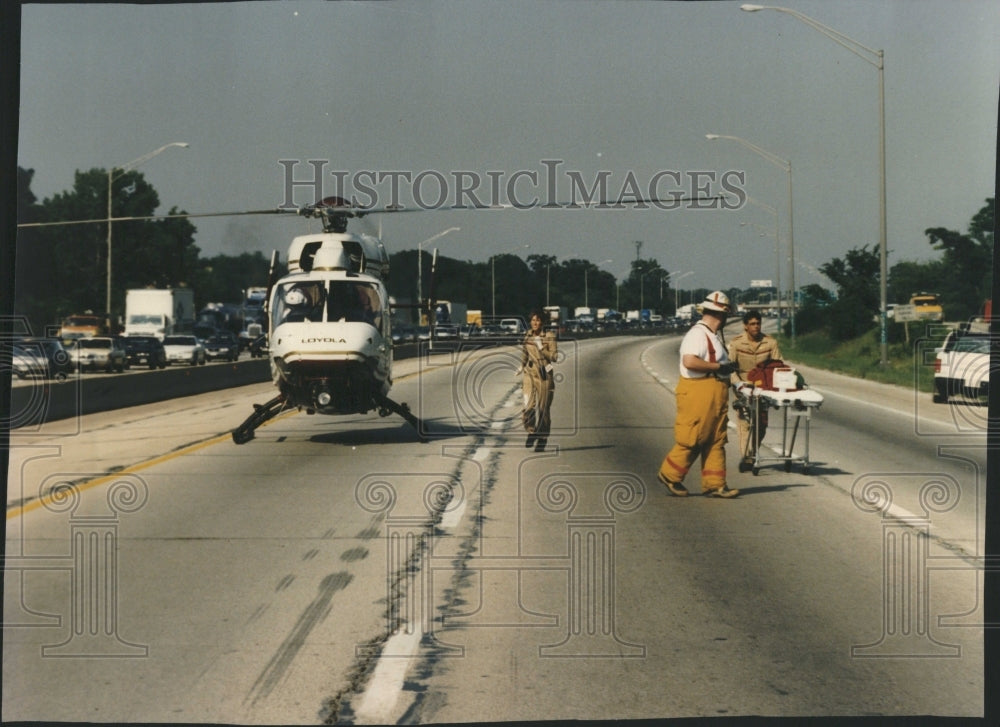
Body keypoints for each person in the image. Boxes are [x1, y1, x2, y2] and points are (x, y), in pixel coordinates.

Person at [657, 290, 739, 498]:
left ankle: (715, 484)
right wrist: (717, 367)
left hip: (714, 391)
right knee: (694, 437)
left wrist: (725, 368)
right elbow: (689, 361)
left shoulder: (710, 335)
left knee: (716, 438)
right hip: (698, 390)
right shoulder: (697, 335)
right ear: (720, 314)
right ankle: (670, 475)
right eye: (725, 315)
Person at [728, 308, 783, 471]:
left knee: (761, 424)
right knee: (745, 422)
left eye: (758, 323)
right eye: (752, 324)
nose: (756, 327)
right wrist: (738, 384)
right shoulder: (736, 343)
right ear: (745, 326)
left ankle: (752, 451)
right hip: (743, 385)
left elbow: (778, 365)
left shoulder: (770, 342)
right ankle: (747, 457)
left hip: (763, 387)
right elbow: (730, 368)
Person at [519, 310, 557, 452]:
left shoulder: (549, 336)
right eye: (533, 320)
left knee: (543, 409)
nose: (535, 323)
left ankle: (542, 438)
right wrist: (521, 365)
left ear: (543, 322)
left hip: (544, 375)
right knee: (528, 406)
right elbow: (524, 352)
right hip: (529, 374)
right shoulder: (527, 335)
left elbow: (554, 357)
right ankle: (531, 431)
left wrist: (541, 347)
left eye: (538, 320)